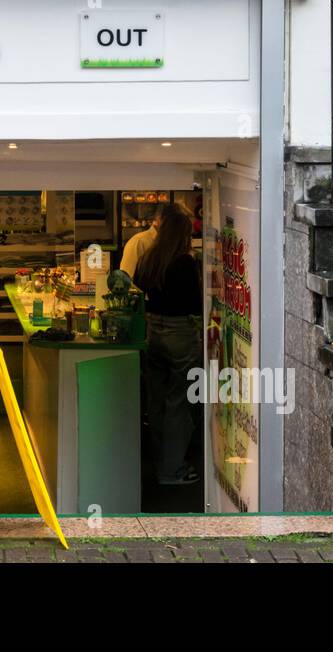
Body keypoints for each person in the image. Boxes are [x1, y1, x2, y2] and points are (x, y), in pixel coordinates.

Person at [130, 202, 203, 486]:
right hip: (179, 333)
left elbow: (139, 285)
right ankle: (172, 469)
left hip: (154, 330)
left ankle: (161, 459)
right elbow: (195, 303)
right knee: (179, 403)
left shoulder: (150, 256)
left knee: (157, 400)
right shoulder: (184, 262)